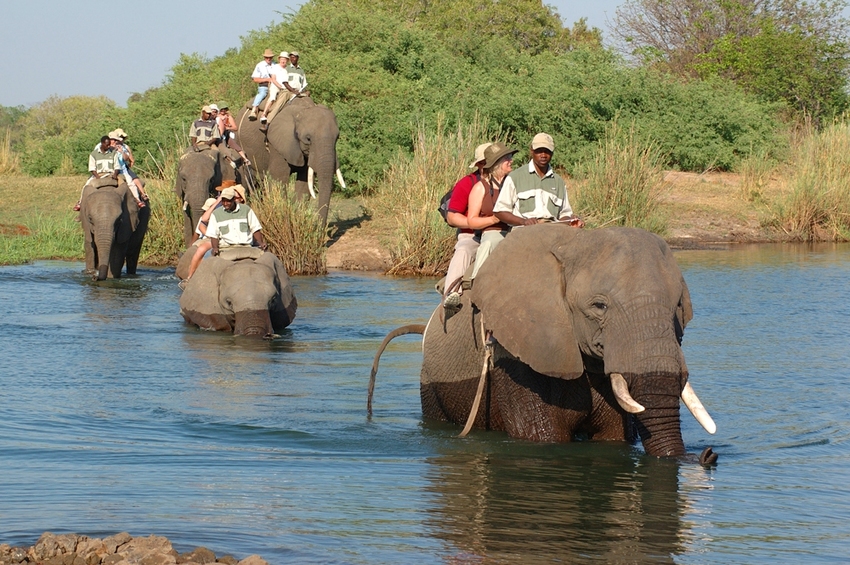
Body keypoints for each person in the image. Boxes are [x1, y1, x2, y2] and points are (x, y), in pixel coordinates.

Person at [493, 132, 584, 228]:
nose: (543, 155)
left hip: (552, 230)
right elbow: (500, 211)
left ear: (552, 153)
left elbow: (564, 214)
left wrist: (571, 220)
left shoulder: (559, 182)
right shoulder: (515, 177)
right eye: (539, 151)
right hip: (523, 231)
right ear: (531, 150)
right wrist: (523, 221)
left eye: (547, 151)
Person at [441, 142, 491, 308]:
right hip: (472, 235)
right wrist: (473, 223)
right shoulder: (466, 184)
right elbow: (452, 217)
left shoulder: (508, 183)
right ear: (478, 165)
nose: (488, 166)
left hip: (502, 233)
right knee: (463, 250)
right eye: (484, 162)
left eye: (491, 161)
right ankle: (451, 294)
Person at [466, 142, 518, 281]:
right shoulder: (480, 187)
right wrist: (494, 219)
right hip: (493, 231)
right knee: (489, 243)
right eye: (507, 158)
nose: (511, 161)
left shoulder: (516, 183)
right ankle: (476, 281)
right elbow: (471, 221)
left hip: (517, 230)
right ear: (497, 163)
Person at [207, 186, 267, 257]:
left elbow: (255, 228)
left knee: (267, 258)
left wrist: (261, 243)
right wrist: (215, 248)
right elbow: (214, 234)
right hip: (226, 249)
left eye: (228, 201)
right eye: (223, 200)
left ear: (234, 199)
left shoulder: (246, 210)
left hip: (246, 247)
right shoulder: (216, 214)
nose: (225, 203)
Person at [74, 135, 119, 211]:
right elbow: (92, 168)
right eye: (107, 145)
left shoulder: (113, 153)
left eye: (109, 145)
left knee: (125, 185)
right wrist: (97, 177)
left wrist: (115, 174)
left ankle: (135, 201)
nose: (108, 146)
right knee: (86, 187)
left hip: (111, 174)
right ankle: (80, 203)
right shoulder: (93, 154)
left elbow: (117, 166)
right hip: (98, 175)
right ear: (102, 143)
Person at [110, 131, 147, 208]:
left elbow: (129, 159)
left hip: (122, 168)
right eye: (120, 138)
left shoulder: (123, 147)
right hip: (108, 169)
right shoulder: (102, 146)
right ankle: (81, 202)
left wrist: (121, 152)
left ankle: (139, 198)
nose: (121, 140)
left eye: (122, 138)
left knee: (132, 182)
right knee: (89, 183)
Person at [260, 52, 295, 128]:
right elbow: (273, 79)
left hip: (286, 88)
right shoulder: (275, 67)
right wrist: (280, 86)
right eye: (282, 59)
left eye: (285, 59)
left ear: (287, 60)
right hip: (276, 85)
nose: (283, 61)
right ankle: (264, 114)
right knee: (272, 97)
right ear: (279, 59)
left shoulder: (288, 69)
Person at [248, 49, 275, 121]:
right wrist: (267, 80)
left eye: (270, 57)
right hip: (264, 86)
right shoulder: (260, 65)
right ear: (264, 57)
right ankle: (254, 109)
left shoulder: (275, 65)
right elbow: (255, 79)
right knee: (262, 94)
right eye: (267, 57)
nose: (268, 59)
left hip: (274, 86)